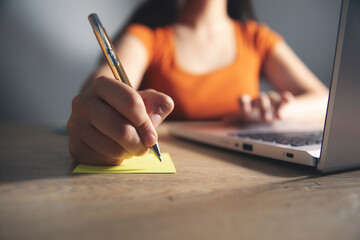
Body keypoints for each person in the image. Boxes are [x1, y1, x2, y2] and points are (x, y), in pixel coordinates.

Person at [67, 0, 329, 165]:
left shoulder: (256, 38)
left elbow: (325, 99)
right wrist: (96, 112)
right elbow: (96, 91)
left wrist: (277, 112)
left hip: (248, 180)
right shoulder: (148, 38)